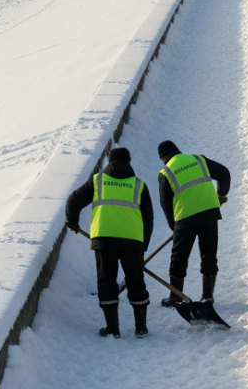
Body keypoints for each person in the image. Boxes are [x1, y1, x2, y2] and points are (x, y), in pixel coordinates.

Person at [65, 147, 155, 338]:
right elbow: (149, 218)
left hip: (104, 240)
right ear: (129, 161)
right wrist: (143, 247)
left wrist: (73, 221)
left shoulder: (98, 181)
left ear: (109, 162)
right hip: (132, 242)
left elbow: (73, 201)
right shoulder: (139, 185)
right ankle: (141, 328)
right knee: (135, 282)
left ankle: (113, 329)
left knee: (107, 282)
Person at [156, 140, 231, 306]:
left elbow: (166, 205)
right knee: (209, 255)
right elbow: (224, 174)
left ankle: (175, 296)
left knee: (179, 258)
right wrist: (220, 195)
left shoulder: (165, 172)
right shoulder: (198, 159)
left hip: (185, 217)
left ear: (163, 158)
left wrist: (173, 227)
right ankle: (207, 297)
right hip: (210, 212)